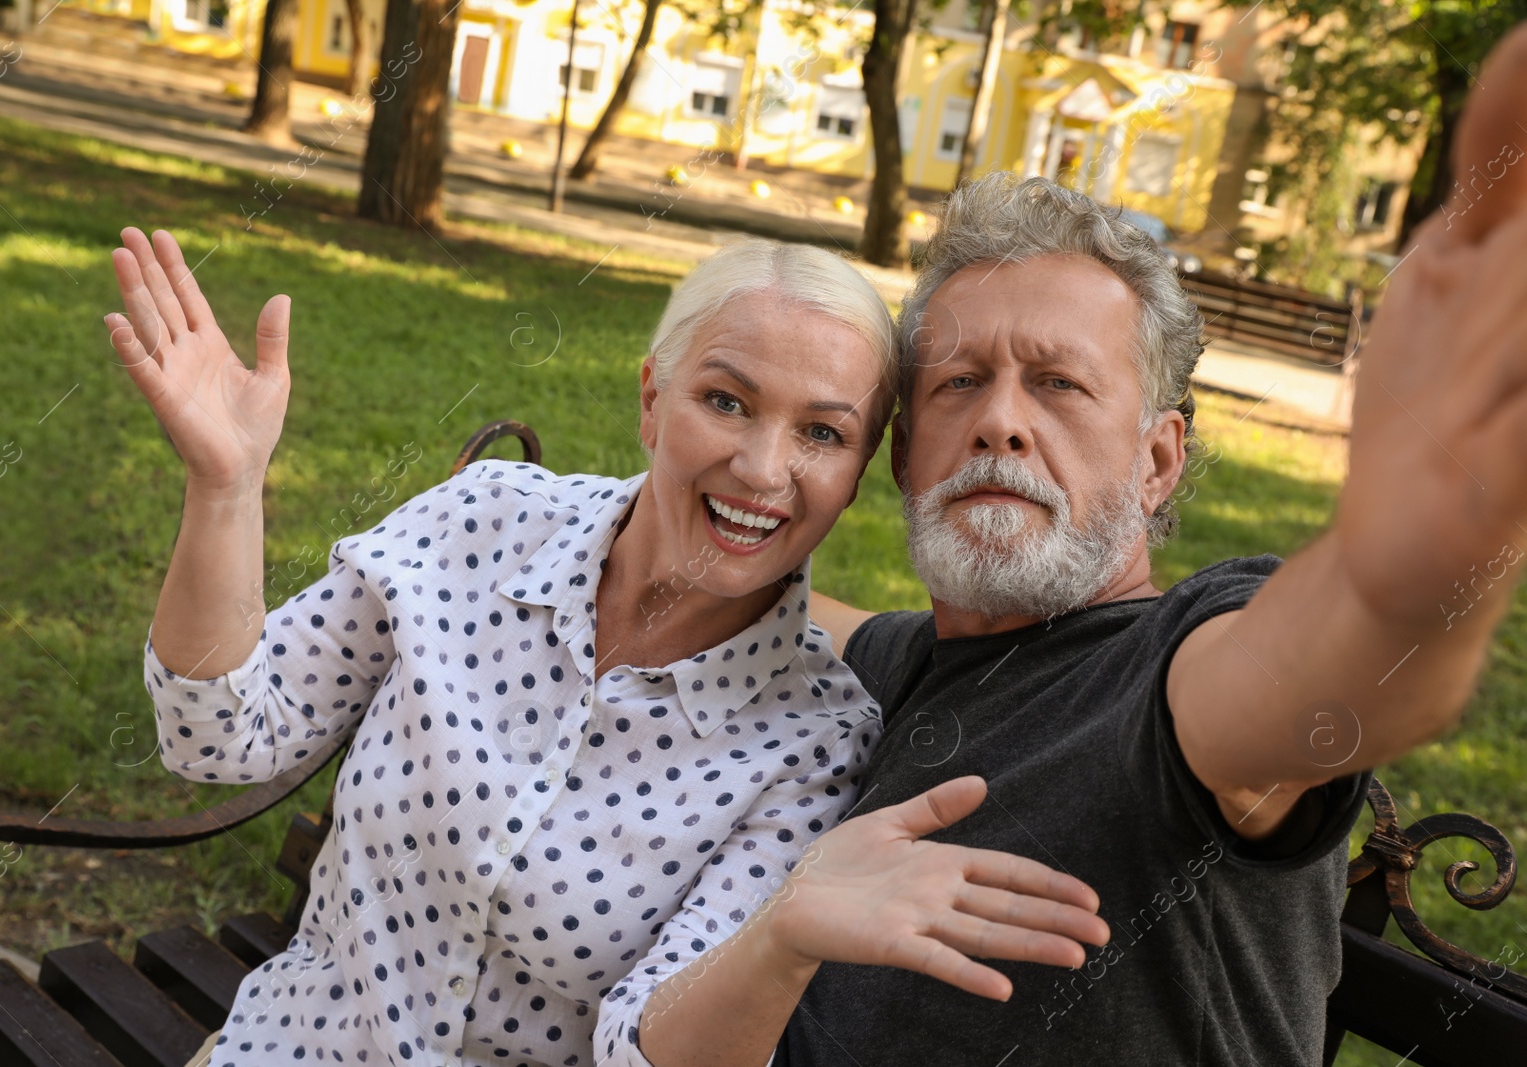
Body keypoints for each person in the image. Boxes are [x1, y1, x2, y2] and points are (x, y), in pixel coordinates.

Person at [593, 23, 1527, 1067]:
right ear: (904, 457)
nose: (1000, 420)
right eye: (958, 383)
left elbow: (1304, 690)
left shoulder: (1168, 674)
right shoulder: (900, 664)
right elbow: (747, 597)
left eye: (1058, 382)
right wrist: (592, 521)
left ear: (1158, 461)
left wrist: (1401, 584)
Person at [105, 231, 1107, 1067]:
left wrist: (782, 933)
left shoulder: (810, 744)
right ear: (648, 399)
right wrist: (227, 487)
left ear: (858, 473)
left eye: (821, 433)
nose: (761, 468)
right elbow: (220, 735)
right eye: (725, 400)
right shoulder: (483, 523)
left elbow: (637, 1049)